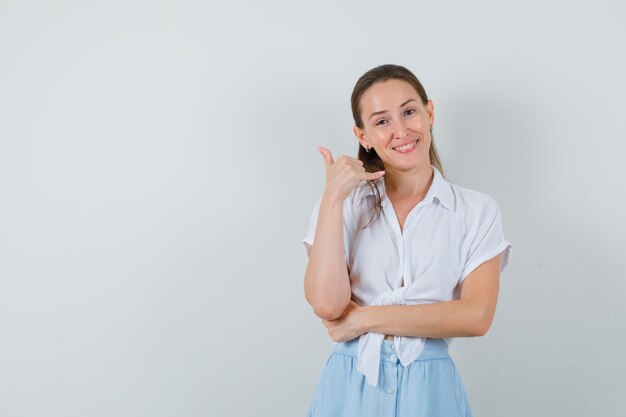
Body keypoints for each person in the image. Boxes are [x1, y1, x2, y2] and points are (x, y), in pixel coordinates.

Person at [301, 64, 513, 417]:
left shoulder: (476, 211)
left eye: (409, 112)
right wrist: (333, 198)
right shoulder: (343, 207)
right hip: (349, 385)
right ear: (363, 136)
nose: (401, 130)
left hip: (429, 389)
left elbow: (476, 316)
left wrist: (363, 319)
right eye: (382, 121)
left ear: (429, 113)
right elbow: (327, 305)